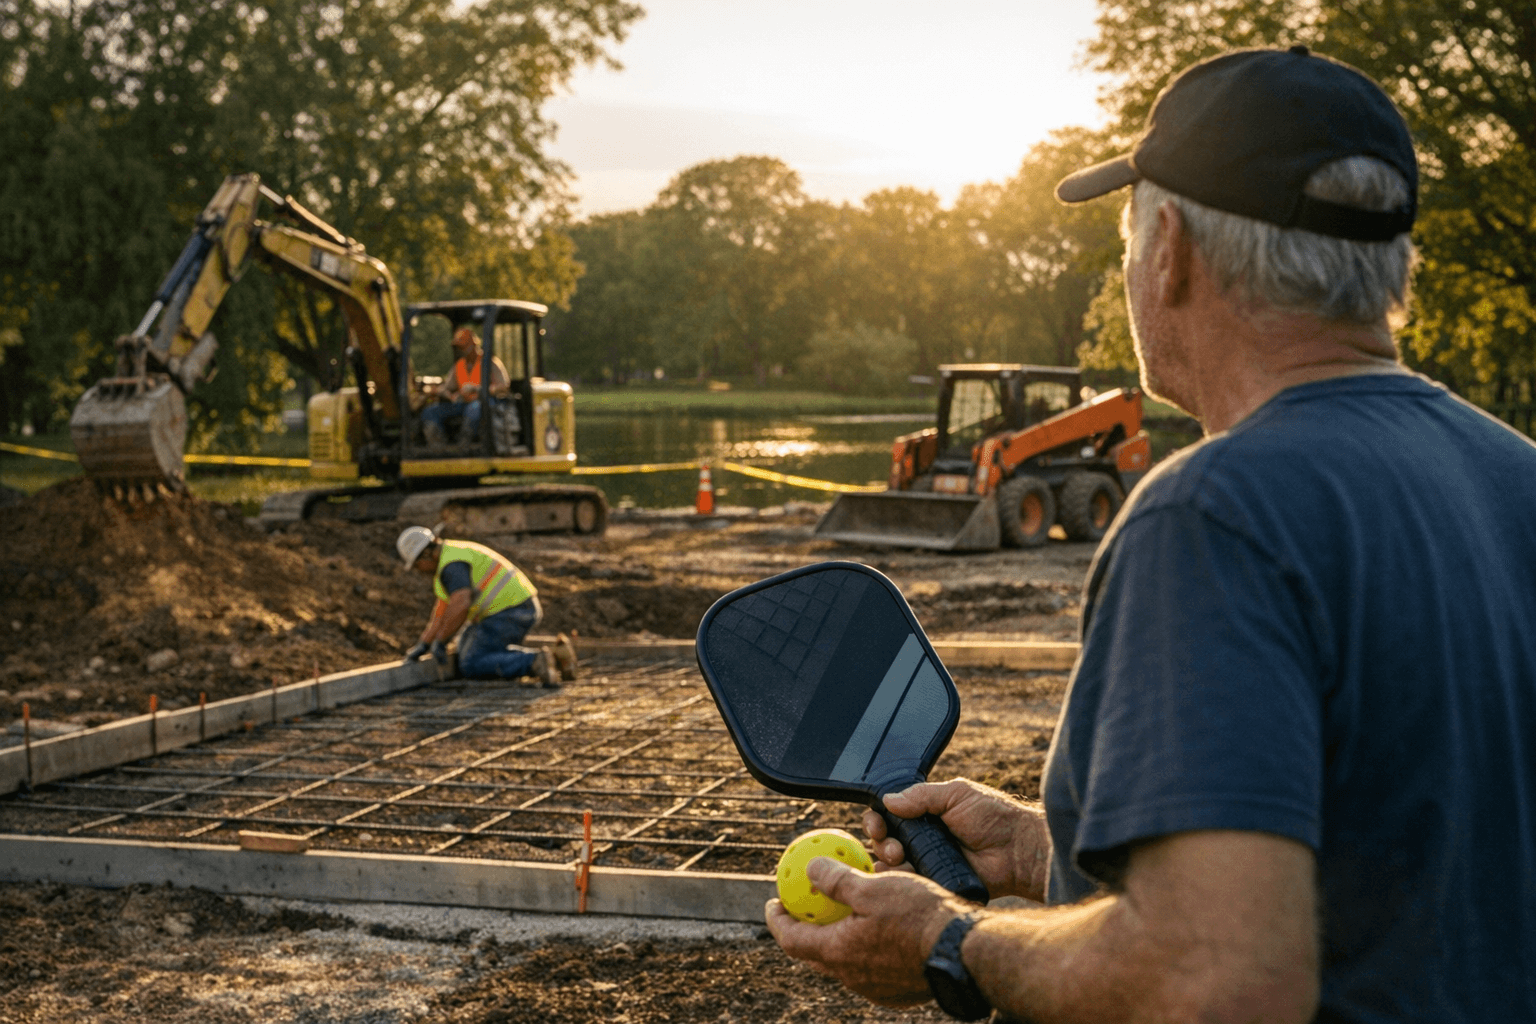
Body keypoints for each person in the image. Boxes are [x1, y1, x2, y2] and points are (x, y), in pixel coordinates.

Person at [767, 47, 1536, 1023]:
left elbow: (1217, 980)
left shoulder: (1215, 514)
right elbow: (1410, 861)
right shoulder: (1517, 474)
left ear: (1167, 247)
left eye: (1126, 243)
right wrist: (1054, 856)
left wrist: (944, 940)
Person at [396, 525, 577, 686]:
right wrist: (424, 643)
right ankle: (557, 657)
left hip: (512, 611)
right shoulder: (449, 559)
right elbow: (442, 614)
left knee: (471, 662)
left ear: (426, 554)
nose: (418, 571)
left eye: (417, 566)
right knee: (467, 649)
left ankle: (534, 661)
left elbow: (461, 605)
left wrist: (442, 640)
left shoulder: (452, 566)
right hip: (515, 609)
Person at [421, 326, 510, 446]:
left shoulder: (490, 363)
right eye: (458, 347)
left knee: (473, 409)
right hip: (462, 404)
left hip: (485, 403)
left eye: (462, 346)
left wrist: (478, 389)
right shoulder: (459, 365)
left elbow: (503, 386)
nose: (460, 350)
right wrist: (446, 394)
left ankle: (464, 446)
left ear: (473, 344)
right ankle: (439, 448)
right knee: (430, 412)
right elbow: (447, 387)